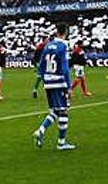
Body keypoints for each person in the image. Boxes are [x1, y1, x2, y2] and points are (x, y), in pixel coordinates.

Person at [32, 23, 76, 151]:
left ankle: (40, 130)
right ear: (66, 32)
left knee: (54, 111)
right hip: (59, 82)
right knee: (64, 110)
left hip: (48, 83)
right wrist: (68, 86)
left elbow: (41, 66)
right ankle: (61, 143)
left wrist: (45, 79)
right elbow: (64, 68)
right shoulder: (63, 45)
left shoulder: (48, 45)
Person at [29, 34, 51, 99]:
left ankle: (35, 90)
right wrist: (37, 63)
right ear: (45, 40)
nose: (48, 40)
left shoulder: (45, 45)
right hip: (41, 63)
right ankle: (47, 92)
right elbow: (36, 55)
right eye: (47, 39)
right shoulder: (41, 46)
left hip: (44, 62)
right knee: (44, 77)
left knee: (40, 77)